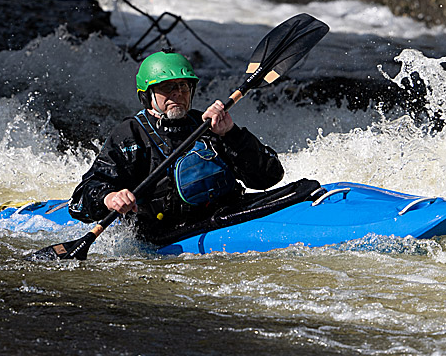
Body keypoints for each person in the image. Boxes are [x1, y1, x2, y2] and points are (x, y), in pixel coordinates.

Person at [68, 50, 286, 246]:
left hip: (228, 217)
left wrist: (231, 134)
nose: (178, 93)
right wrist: (109, 197)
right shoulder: (130, 135)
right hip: (168, 235)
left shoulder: (208, 125)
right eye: (167, 87)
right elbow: (78, 201)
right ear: (147, 94)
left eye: (184, 86)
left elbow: (270, 177)